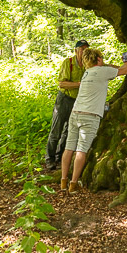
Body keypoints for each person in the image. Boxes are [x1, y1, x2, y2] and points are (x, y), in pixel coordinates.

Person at [61, 48, 127, 194]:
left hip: (75, 113)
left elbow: (119, 68)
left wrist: (125, 63)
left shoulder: (86, 73)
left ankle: (64, 181)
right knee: (81, 150)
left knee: (69, 147)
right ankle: (73, 184)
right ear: (99, 59)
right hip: (90, 116)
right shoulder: (103, 71)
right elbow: (124, 71)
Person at [45, 40, 89, 171]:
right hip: (64, 99)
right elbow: (62, 84)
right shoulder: (68, 63)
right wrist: (79, 84)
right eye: (81, 49)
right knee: (56, 130)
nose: (84, 51)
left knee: (69, 131)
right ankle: (50, 159)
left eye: (86, 49)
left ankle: (60, 157)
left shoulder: (88, 65)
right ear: (76, 51)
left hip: (78, 101)